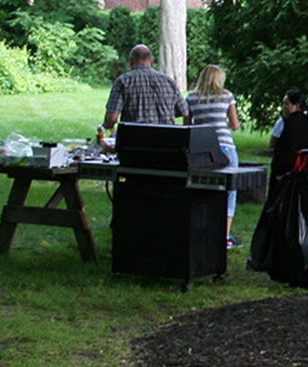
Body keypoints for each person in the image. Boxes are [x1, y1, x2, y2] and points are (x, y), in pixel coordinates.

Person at [184, 64, 241, 247]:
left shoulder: (192, 97)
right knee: (230, 190)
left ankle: (202, 229)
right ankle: (224, 235)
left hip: (202, 149)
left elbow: (188, 126)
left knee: (203, 188)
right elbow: (234, 125)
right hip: (224, 146)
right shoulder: (226, 96)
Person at [103, 45, 187, 130]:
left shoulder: (123, 81)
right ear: (151, 63)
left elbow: (112, 118)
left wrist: (105, 125)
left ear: (131, 62)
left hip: (134, 139)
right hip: (166, 138)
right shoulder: (168, 81)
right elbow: (184, 111)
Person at [269, 89, 308, 179]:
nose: (284, 106)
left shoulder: (283, 122)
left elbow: (272, 144)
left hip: (283, 167)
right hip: (304, 167)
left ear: (297, 106)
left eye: (286, 104)